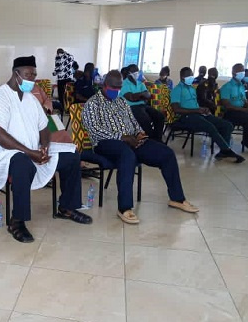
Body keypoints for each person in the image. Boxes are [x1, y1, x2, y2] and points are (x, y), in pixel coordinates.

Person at [0, 55, 91, 243]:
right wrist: (31, 153)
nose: (32, 79)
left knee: (71, 155)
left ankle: (67, 207)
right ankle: (17, 221)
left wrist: (44, 148)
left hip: (33, 149)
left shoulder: (30, 98)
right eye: (28, 74)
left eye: (34, 75)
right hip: (3, 154)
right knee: (23, 163)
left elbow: (44, 127)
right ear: (16, 74)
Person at [82, 70, 199, 225]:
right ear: (104, 85)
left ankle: (177, 198)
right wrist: (122, 137)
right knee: (127, 155)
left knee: (167, 153)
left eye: (119, 88)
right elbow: (94, 129)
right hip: (106, 143)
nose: (116, 91)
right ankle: (124, 208)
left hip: (131, 140)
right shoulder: (92, 104)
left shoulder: (121, 101)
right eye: (113, 88)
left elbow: (133, 122)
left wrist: (139, 134)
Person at [171, 67, 244, 163]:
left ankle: (223, 151)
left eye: (191, 75)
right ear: (182, 77)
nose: (190, 77)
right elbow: (176, 109)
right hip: (186, 117)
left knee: (227, 125)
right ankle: (227, 150)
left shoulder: (192, 89)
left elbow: (195, 104)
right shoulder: (177, 89)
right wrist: (197, 110)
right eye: (188, 76)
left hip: (198, 114)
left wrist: (203, 109)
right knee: (210, 126)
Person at [120, 64, 165, 141]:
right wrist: (141, 95)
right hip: (130, 107)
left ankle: (158, 139)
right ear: (129, 73)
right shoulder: (124, 83)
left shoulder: (140, 83)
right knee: (145, 119)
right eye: (134, 72)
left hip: (142, 105)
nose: (137, 74)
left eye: (137, 72)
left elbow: (148, 95)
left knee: (160, 116)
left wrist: (139, 96)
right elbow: (131, 98)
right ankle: (151, 139)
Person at [220, 63, 248, 151]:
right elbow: (227, 106)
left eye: (243, 71)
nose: (242, 73)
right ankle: (246, 141)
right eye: (240, 71)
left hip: (241, 111)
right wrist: (246, 110)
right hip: (231, 112)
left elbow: (244, 101)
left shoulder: (241, 86)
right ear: (233, 73)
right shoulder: (227, 87)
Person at [53, 48, 75, 114]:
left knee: (61, 95)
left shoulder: (58, 57)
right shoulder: (70, 56)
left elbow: (57, 69)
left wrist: (54, 73)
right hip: (70, 79)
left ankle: (62, 109)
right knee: (68, 95)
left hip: (61, 80)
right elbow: (74, 66)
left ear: (58, 52)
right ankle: (69, 110)